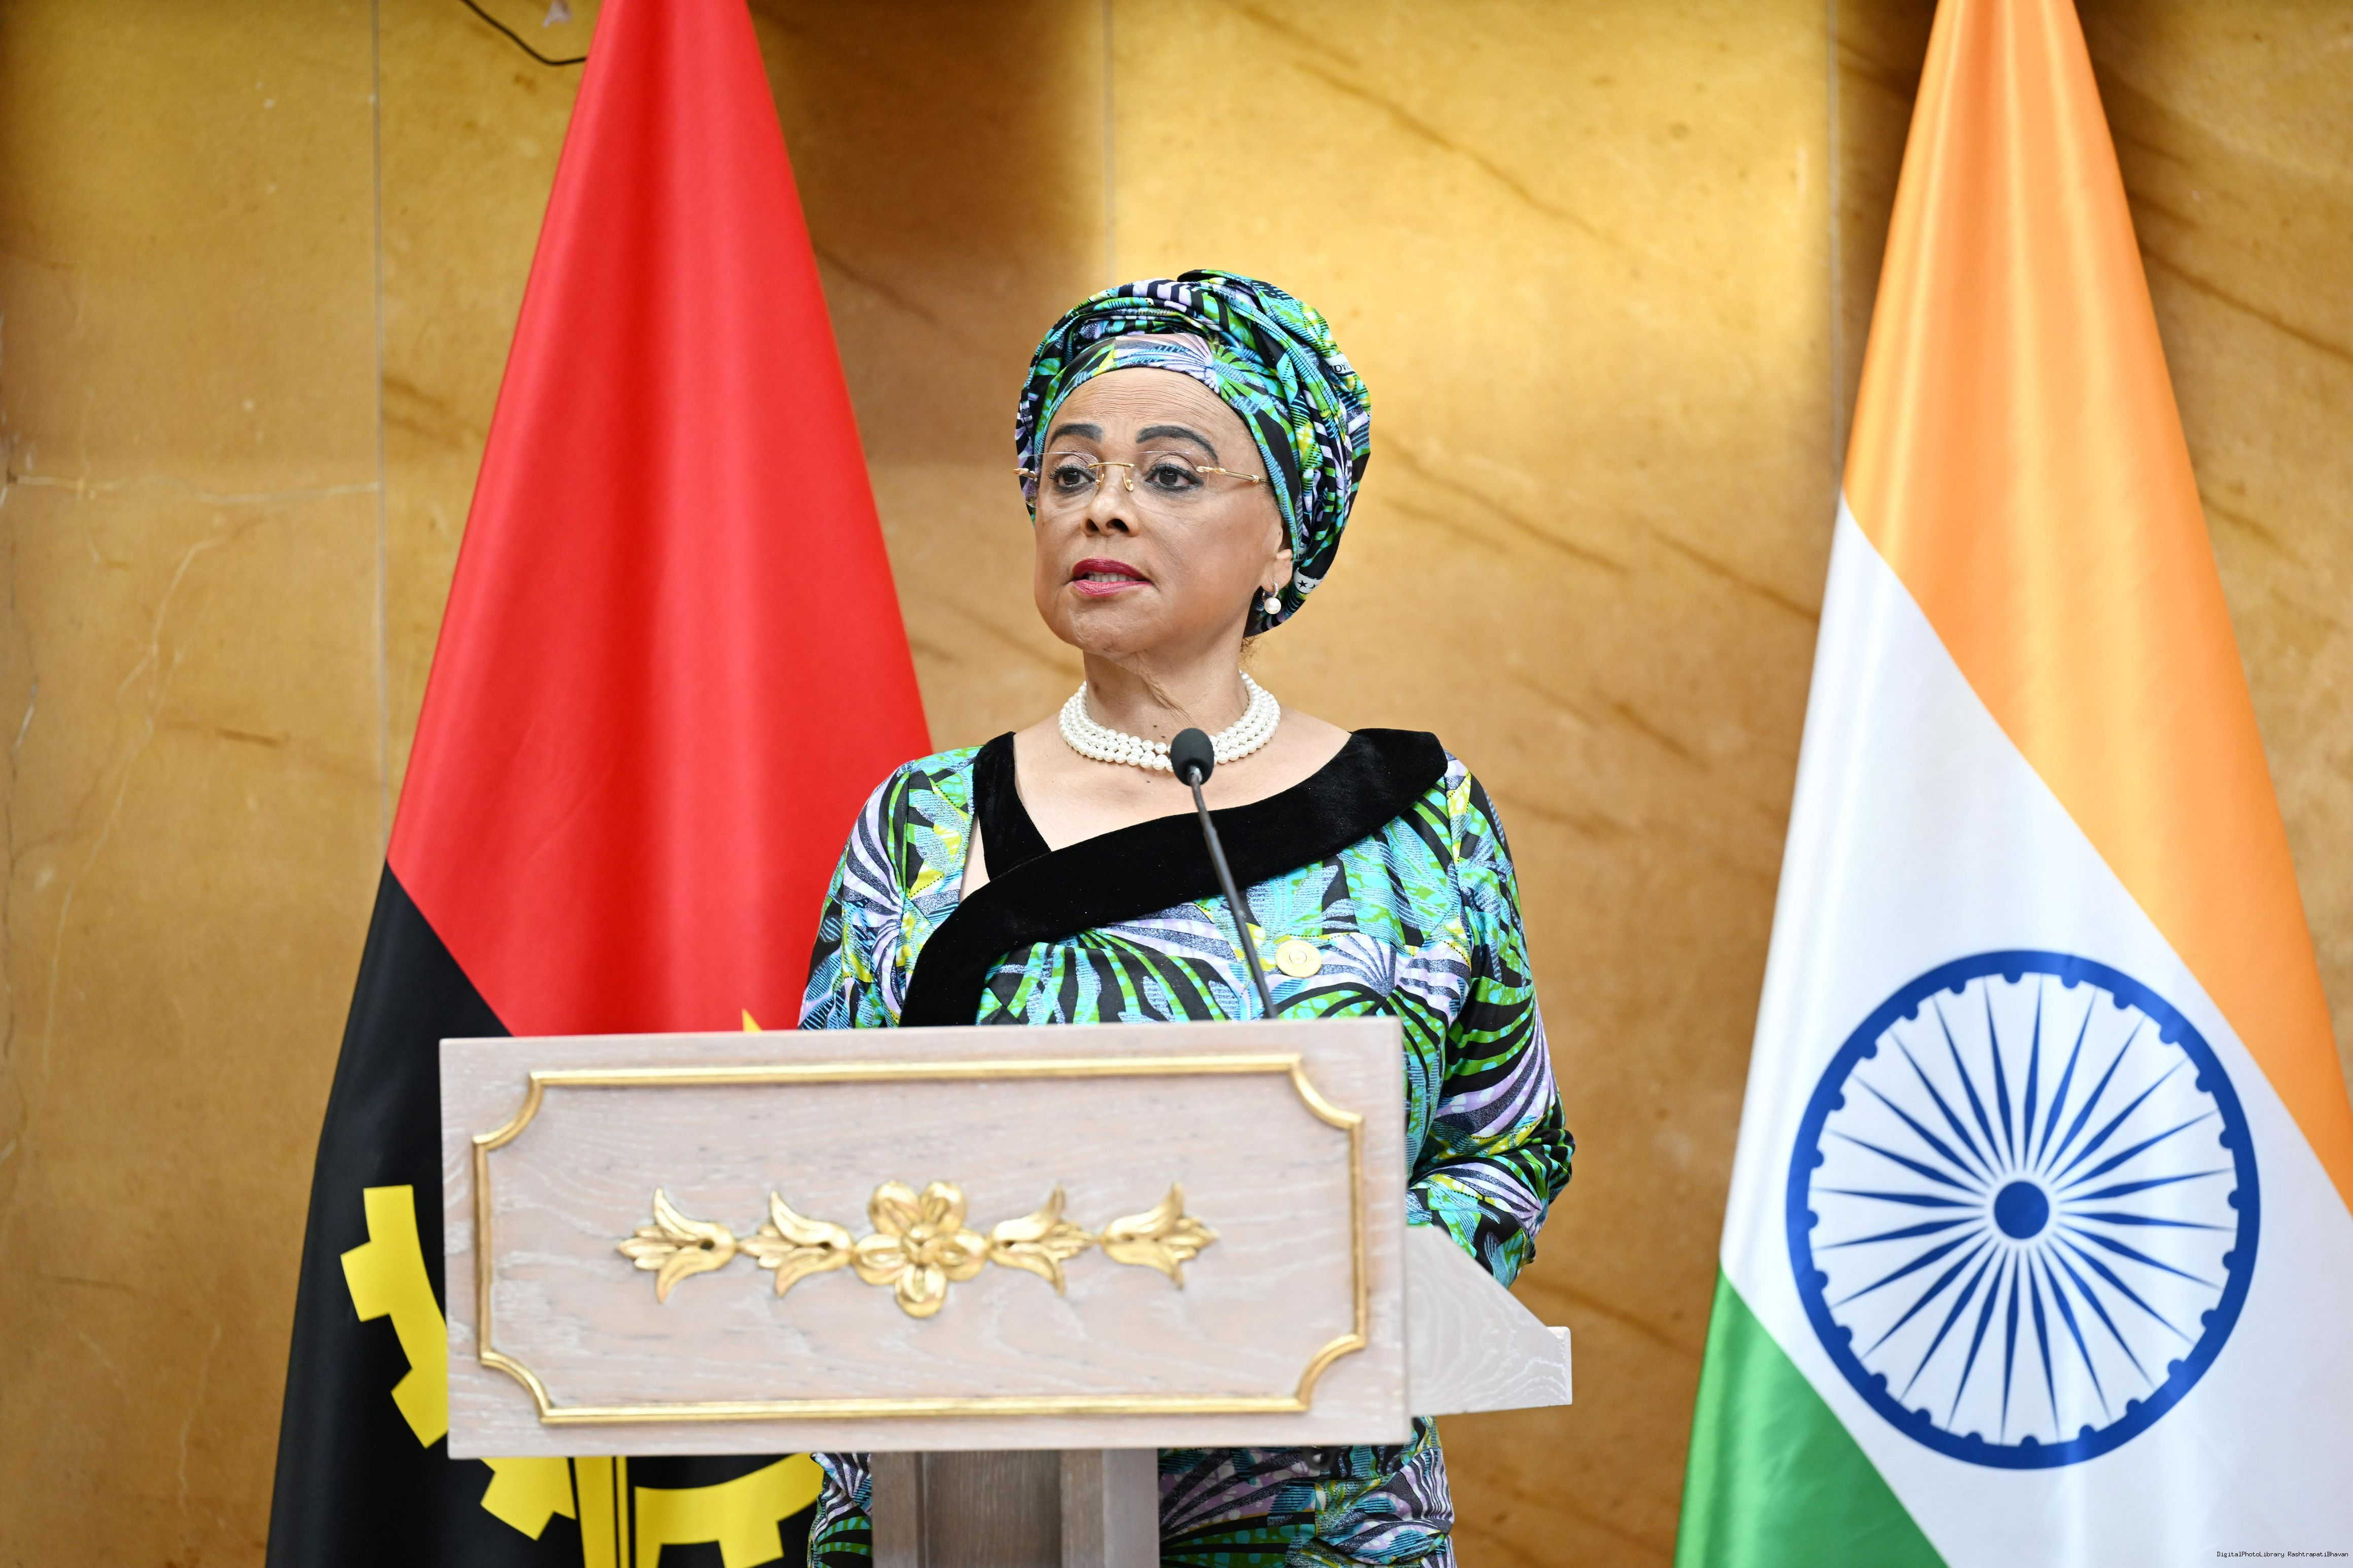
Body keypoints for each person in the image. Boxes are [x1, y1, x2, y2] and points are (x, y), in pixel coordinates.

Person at [797, 270, 1574, 1567]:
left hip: (1313, 1517)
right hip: (974, 1502)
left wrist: (1324, 1297)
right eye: (1069, 473)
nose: (1102, 505)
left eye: (1170, 473)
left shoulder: (1417, 820)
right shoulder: (921, 822)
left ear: (1283, 543)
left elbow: (1505, 1147)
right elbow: (817, 1157)